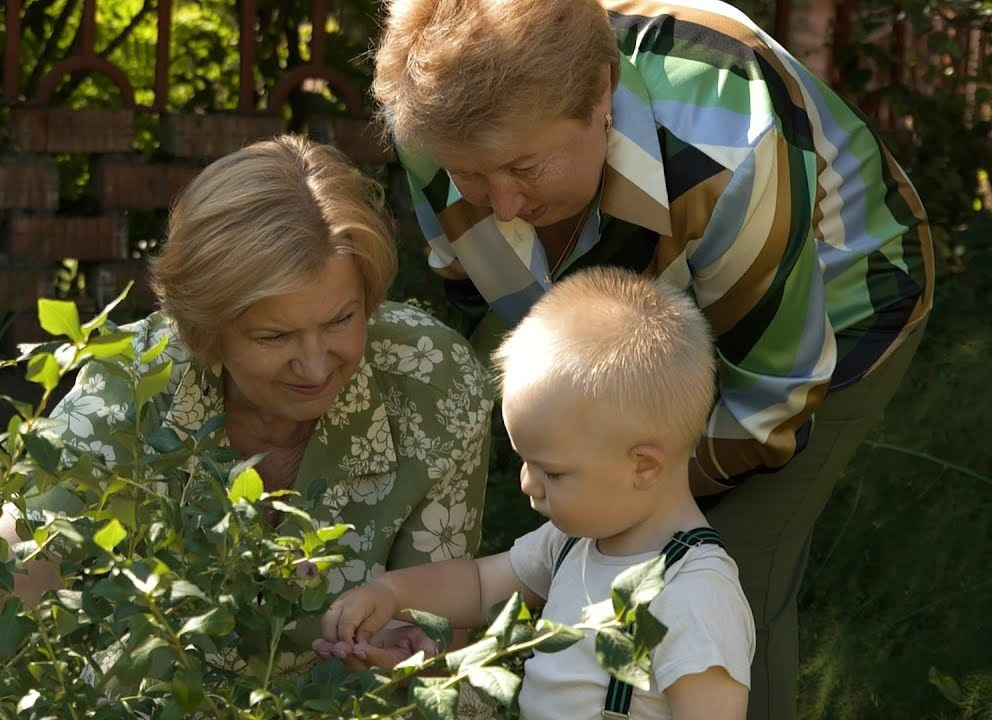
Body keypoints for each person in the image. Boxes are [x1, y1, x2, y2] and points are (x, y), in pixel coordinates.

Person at [371, 0, 933, 717]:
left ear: (601, 96)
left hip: (838, 309)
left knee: (720, 576)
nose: (500, 206)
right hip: (633, 325)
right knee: (586, 532)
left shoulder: (730, 137)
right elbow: (502, 317)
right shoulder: (433, 128)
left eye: (522, 167)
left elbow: (774, 396)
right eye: (470, 178)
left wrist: (633, 492)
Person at [0, 135, 494, 717]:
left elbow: (440, 638)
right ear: (207, 330)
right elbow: (12, 566)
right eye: (273, 335)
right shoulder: (136, 386)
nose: (314, 364)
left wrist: (405, 658)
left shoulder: (431, 383)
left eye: (341, 319)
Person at [319, 266, 754, 719]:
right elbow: (480, 584)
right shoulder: (573, 543)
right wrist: (391, 592)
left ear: (643, 466)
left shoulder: (694, 597)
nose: (527, 483)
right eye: (526, 462)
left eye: (553, 473)